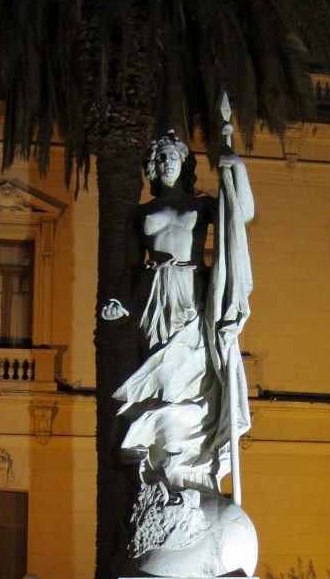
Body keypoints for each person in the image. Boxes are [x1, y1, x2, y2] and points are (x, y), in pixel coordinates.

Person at [102, 130, 254, 499]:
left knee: (189, 380)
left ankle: (188, 466)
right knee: (160, 380)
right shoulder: (140, 214)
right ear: (152, 168)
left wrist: (238, 169)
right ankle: (160, 463)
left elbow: (241, 214)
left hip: (191, 293)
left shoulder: (201, 206)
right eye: (161, 157)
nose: (167, 162)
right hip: (153, 298)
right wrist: (117, 298)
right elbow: (125, 264)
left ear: (185, 165)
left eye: (174, 156)